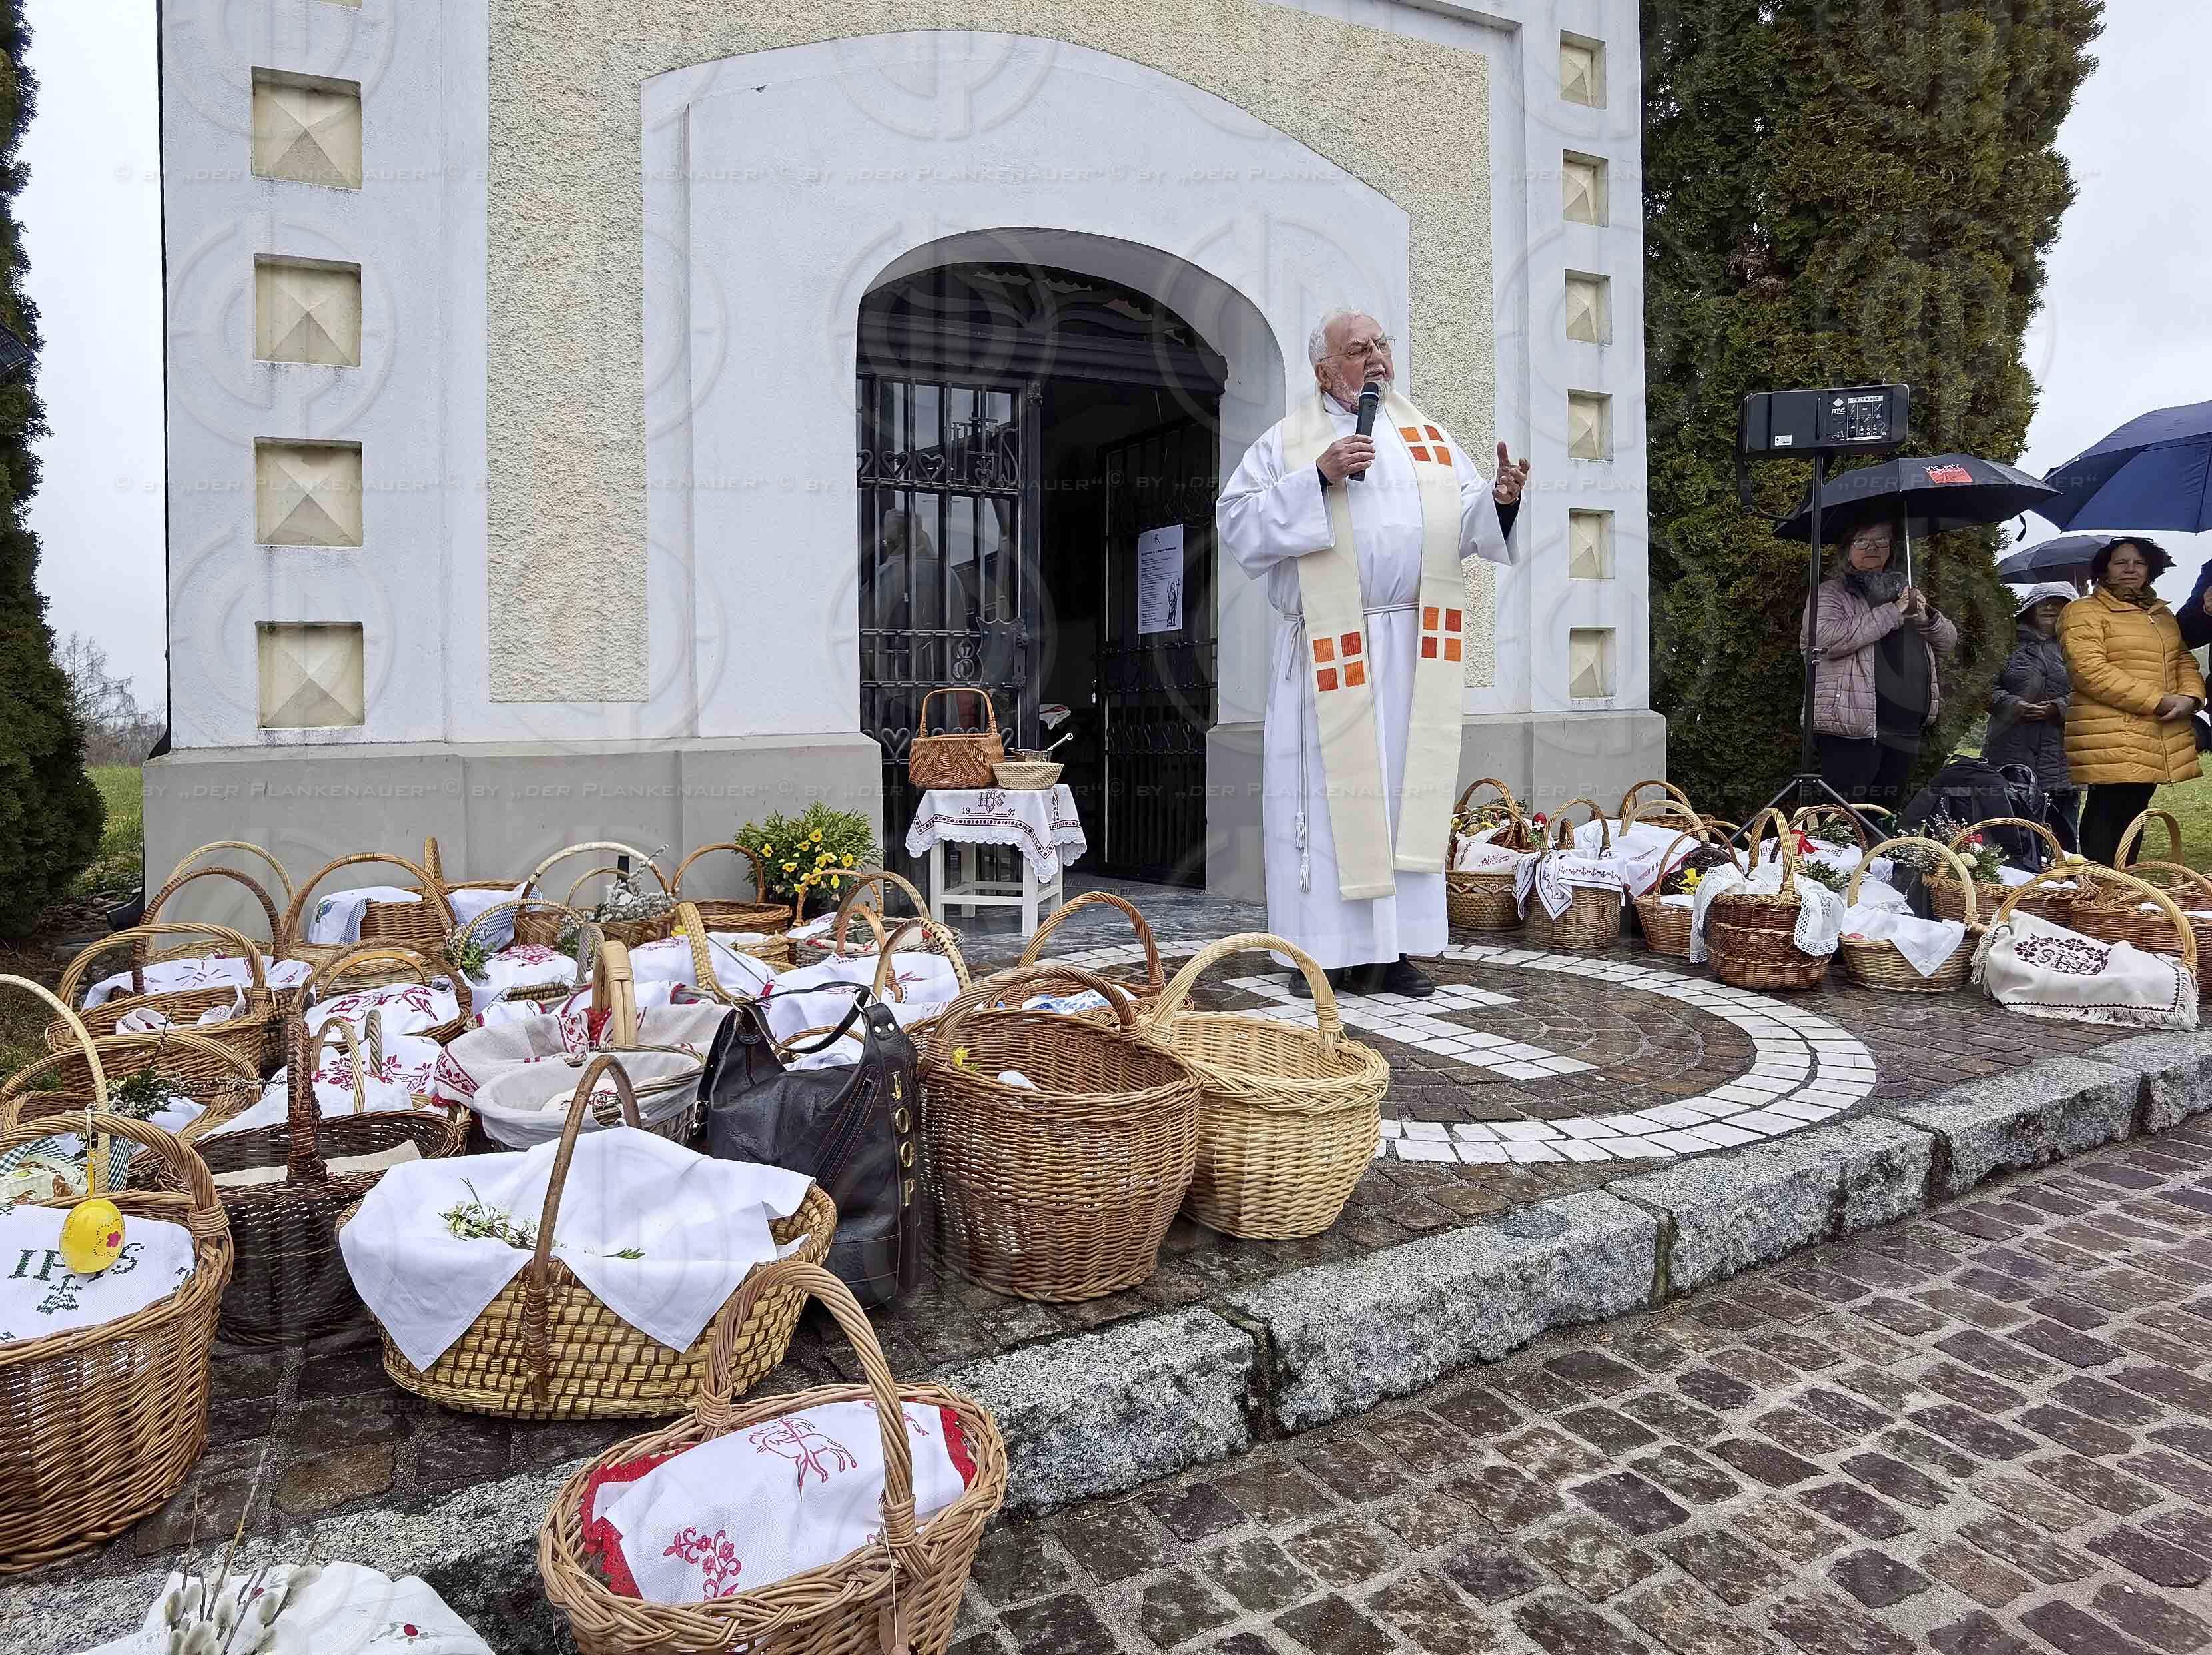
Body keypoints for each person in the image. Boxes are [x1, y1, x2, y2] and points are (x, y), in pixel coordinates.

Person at [1217, 310, 1530, 998]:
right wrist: (1315, 479)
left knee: (1399, 801)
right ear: (1325, 371)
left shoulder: (1429, 438)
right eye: (1358, 351)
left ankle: (1394, 951)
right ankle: (1324, 956)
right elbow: (1237, 522)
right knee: (1330, 806)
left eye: (1381, 345)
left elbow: (1472, 520)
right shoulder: (1287, 443)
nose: (1377, 360)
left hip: (1414, 650)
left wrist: (1502, 500)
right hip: (1331, 654)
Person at [2059, 537, 2204, 865]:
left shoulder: (2162, 615)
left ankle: (2123, 885)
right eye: (2120, 562)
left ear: (2150, 569)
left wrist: (2190, 698)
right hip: (2110, 729)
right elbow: (2089, 671)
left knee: (2134, 808)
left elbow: (2183, 660)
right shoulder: (2083, 611)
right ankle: (2098, 887)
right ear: (2104, 569)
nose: (2130, 569)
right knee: (2108, 808)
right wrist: (2159, 700)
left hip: (2156, 730)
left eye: (2139, 563)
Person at [1800, 518, 1958, 816]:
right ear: (1848, 549)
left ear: (1891, 550)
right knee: (1844, 817)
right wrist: (1893, 612)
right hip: (1854, 728)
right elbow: (1822, 641)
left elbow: (1948, 641)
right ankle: (1838, 862)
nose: (1872, 547)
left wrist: (1924, 615)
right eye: (1862, 541)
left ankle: (1878, 862)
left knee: (1885, 816)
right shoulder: (1831, 593)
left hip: (1905, 726)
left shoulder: (1905, 592)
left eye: (1881, 542)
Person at [1984, 583, 2075, 841]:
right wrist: (2012, 705)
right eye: (2043, 602)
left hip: (2060, 753)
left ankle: (2065, 880)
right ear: (2029, 608)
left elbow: (2095, 689)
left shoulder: (2081, 646)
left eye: (2058, 603)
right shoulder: (2004, 644)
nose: (2049, 607)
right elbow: (1982, 687)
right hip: (2009, 748)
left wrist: (2057, 707)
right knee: (2010, 827)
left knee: (2062, 832)